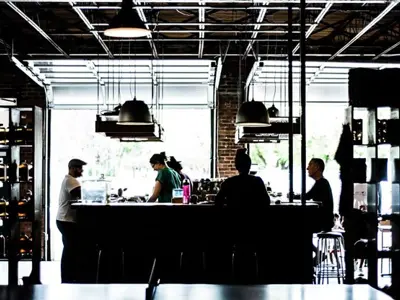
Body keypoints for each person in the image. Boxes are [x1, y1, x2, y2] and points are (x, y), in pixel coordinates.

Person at [56, 158, 86, 283]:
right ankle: (68, 277)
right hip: (67, 220)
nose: (82, 171)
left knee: (69, 248)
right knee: (70, 249)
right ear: (72, 168)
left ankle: (68, 276)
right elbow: (80, 194)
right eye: (80, 168)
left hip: (64, 219)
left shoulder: (69, 180)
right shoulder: (71, 180)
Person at [305, 158, 334, 231]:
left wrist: (292, 196)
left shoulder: (321, 183)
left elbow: (307, 196)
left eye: (310, 165)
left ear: (317, 167)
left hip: (323, 221)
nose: (307, 168)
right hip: (324, 220)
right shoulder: (322, 182)